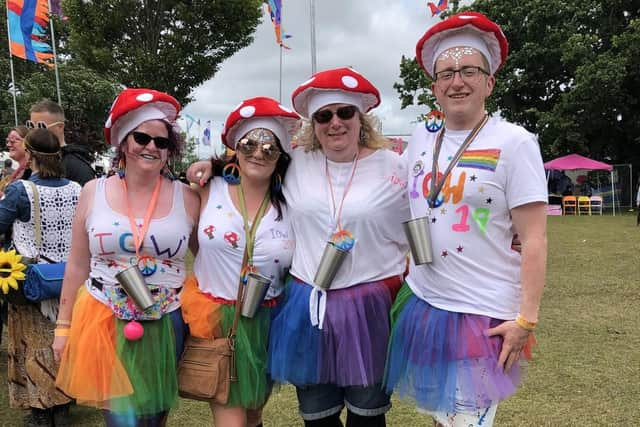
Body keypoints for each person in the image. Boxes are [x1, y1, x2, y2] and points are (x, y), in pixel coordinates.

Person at [188, 67, 410, 427]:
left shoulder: (395, 167)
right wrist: (210, 165)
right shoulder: (297, 163)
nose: (334, 123)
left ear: (361, 117)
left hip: (369, 308)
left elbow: (429, 215)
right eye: (324, 115)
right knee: (317, 418)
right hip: (308, 308)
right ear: (314, 123)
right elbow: (253, 163)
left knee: (366, 418)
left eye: (344, 113)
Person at [384, 12, 548, 427]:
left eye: (469, 70)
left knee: (468, 422)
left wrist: (526, 319)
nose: (457, 81)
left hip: (483, 311)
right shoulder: (422, 137)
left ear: (489, 82)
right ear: (435, 86)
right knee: (443, 419)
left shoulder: (516, 142)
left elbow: (534, 238)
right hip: (426, 303)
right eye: (447, 73)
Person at [53, 88, 199, 426]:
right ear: (123, 141)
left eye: (161, 142)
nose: (151, 147)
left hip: (167, 320)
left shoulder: (189, 198)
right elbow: (76, 265)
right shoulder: (93, 192)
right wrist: (63, 328)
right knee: (122, 418)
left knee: (154, 416)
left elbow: (209, 255)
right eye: (142, 138)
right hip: (103, 315)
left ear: (170, 150)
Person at [181, 97, 299, 427]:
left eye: (270, 147)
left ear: (281, 156)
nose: (259, 153)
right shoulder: (207, 189)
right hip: (218, 319)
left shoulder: (292, 200)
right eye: (249, 143)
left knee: (252, 413)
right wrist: (206, 165)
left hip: (270, 321)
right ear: (235, 148)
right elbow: (194, 243)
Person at [0, 128, 81, 426]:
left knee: (34, 344)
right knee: (65, 339)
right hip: (71, 278)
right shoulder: (77, 188)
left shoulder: (22, 190)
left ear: (30, 155)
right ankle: (64, 403)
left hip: (33, 278)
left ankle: (42, 409)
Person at [29, 99, 96, 186]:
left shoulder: (76, 165)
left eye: (41, 126)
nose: (35, 132)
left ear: (60, 127)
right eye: (30, 126)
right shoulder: (32, 162)